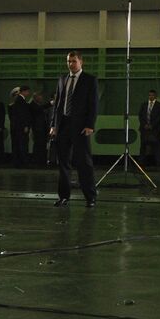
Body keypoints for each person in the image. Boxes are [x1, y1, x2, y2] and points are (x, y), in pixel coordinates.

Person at [50, 51, 98, 207]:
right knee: (63, 163)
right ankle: (63, 196)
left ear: (81, 62)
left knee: (84, 162)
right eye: (68, 61)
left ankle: (90, 197)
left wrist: (90, 125)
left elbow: (93, 105)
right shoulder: (62, 79)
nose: (71, 64)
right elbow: (57, 104)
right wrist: (53, 125)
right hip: (63, 125)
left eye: (74, 61)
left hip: (81, 127)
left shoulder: (89, 80)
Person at [9, 86, 33, 167]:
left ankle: (17, 162)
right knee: (22, 144)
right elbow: (23, 114)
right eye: (27, 91)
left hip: (16, 127)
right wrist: (26, 125)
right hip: (20, 127)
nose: (28, 93)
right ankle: (24, 162)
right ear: (24, 92)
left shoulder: (17, 101)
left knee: (16, 145)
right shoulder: (21, 101)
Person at [139, 89, 160, 167]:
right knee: (143, 146)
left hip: (155, 129)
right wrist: (144, 125)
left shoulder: (159, 105)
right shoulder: (144, 104)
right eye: (149, 95)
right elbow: (140, 116)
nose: (151, 97)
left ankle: (159, 163)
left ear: (155, 96)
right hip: (144, 129)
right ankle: (141, 162)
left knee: (157, 146)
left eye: (152, 95)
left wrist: (152, 125)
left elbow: (159, 117)